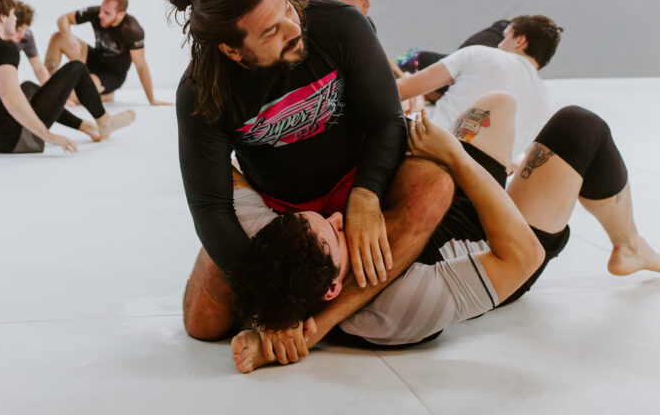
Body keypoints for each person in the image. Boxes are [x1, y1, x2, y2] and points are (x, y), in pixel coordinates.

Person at [230, 92, 660, 372]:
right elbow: (523, 256)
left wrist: (269, 330)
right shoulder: (396, 310)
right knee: (579, 126)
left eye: (320, 216)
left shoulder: (278, 250)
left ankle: (509, 174)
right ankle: (629, 245)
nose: (339, 218)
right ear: (333, 290)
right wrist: (455, 158)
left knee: (498, 105)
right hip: (501, 241)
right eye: (335, 233)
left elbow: (232, 177)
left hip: (441, 210)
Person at [166, 0, 453, 350]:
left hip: (357, 176)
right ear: (233, 51)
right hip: (281, 212)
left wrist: (367, 194)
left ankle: (319, 323)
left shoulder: (340, 24)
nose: (293, 28)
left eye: (287, 8)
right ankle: (298, 303)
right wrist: (270, 305)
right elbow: (210, 206)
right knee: (204, 323)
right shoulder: (200, 90)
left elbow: (388, 121)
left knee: (433, 186)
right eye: (272, 31)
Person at [0, 0, 135, 154]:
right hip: (13, 141)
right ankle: (104, 121)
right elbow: (9, 96)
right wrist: (48, 135)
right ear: (2, 17)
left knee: (28, 87)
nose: (15, 19)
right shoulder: (4, 47)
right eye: (13, 14)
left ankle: (84, 125)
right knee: (76, 68)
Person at [398, 15, 559, 159]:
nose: (499, 45)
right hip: (478, 179)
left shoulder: (481, 54)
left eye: (505, 37)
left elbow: (401, 89)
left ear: (520, 40)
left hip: (425, 151)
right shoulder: (545, 103)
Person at [324, 0, 423, 115]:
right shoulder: (326, 33)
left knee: (415, 88)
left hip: (381, 85)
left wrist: (405, 81)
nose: (368, 4)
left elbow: (381, 58)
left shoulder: (365, 23)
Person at [45, 0, 167, 105]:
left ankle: (106, 96)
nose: (101, 15)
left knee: (72, 95)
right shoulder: (97, 13)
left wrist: (152, 99)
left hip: (112, 74)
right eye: (102, 9)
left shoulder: (132, 30)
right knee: (58, 37)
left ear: (120, 15)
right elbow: (63, 18)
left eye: (107, 13)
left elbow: (141, 65)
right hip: (95, 59)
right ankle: (45, 86)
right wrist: (68, 36)